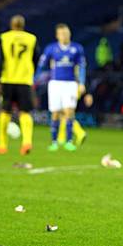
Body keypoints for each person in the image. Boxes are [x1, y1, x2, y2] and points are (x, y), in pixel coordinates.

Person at [36, 23, 91, 152]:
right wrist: (35, 79)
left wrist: (81, 83)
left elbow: (82, 67)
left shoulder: (77, 49)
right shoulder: (51, 49)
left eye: (66, 33)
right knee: (55, 113)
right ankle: (54, 142)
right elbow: (41, 65)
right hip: (55, 83)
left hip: (70, 84)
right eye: (61, 34)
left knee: (69, 112)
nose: (64, 36)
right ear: (57, 35)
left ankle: (69, 141)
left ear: (69, 34)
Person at [0, 15, 38, 155]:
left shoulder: (4, 37)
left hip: (8, 79)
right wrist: (30, 72)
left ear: (11, 25)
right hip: (24, 80)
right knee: (25, 113)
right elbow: (36, 58)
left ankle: (2, 146)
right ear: (23, 25)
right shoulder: (32, 39)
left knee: (5, 112)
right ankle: (27, 143)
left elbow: (0, 60)